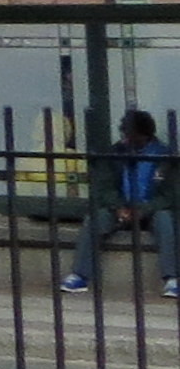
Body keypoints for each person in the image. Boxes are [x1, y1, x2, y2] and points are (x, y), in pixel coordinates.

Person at [60, 109, 177, 298]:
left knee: (166, 221)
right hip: (120, 209)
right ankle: (79, 275)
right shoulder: (114, 153)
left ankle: (172, 278)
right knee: (95, 219)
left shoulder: (164, 157)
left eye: (130, 135)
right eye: (124, 134)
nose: (125, 139)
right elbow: (104, 188)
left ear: (145, 135)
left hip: (152, 210)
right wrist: (118, 207)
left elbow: (169, 196)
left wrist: (145, 209)